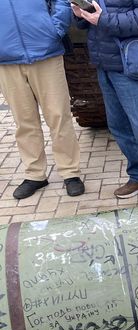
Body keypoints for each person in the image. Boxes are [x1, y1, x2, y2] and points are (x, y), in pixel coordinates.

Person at [72, 0, 138, 204]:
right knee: (119, 127)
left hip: (129, 63)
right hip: (104, 63)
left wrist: (103, 20)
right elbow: (94, 18)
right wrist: (81, 14)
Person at [0, 0, 85, 199]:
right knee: (24, 121)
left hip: (46, 53)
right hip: (6, 60)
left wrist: (54, 31)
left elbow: (62, 2)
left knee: (59, 116)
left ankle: (70, 172)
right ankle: (35, 174)